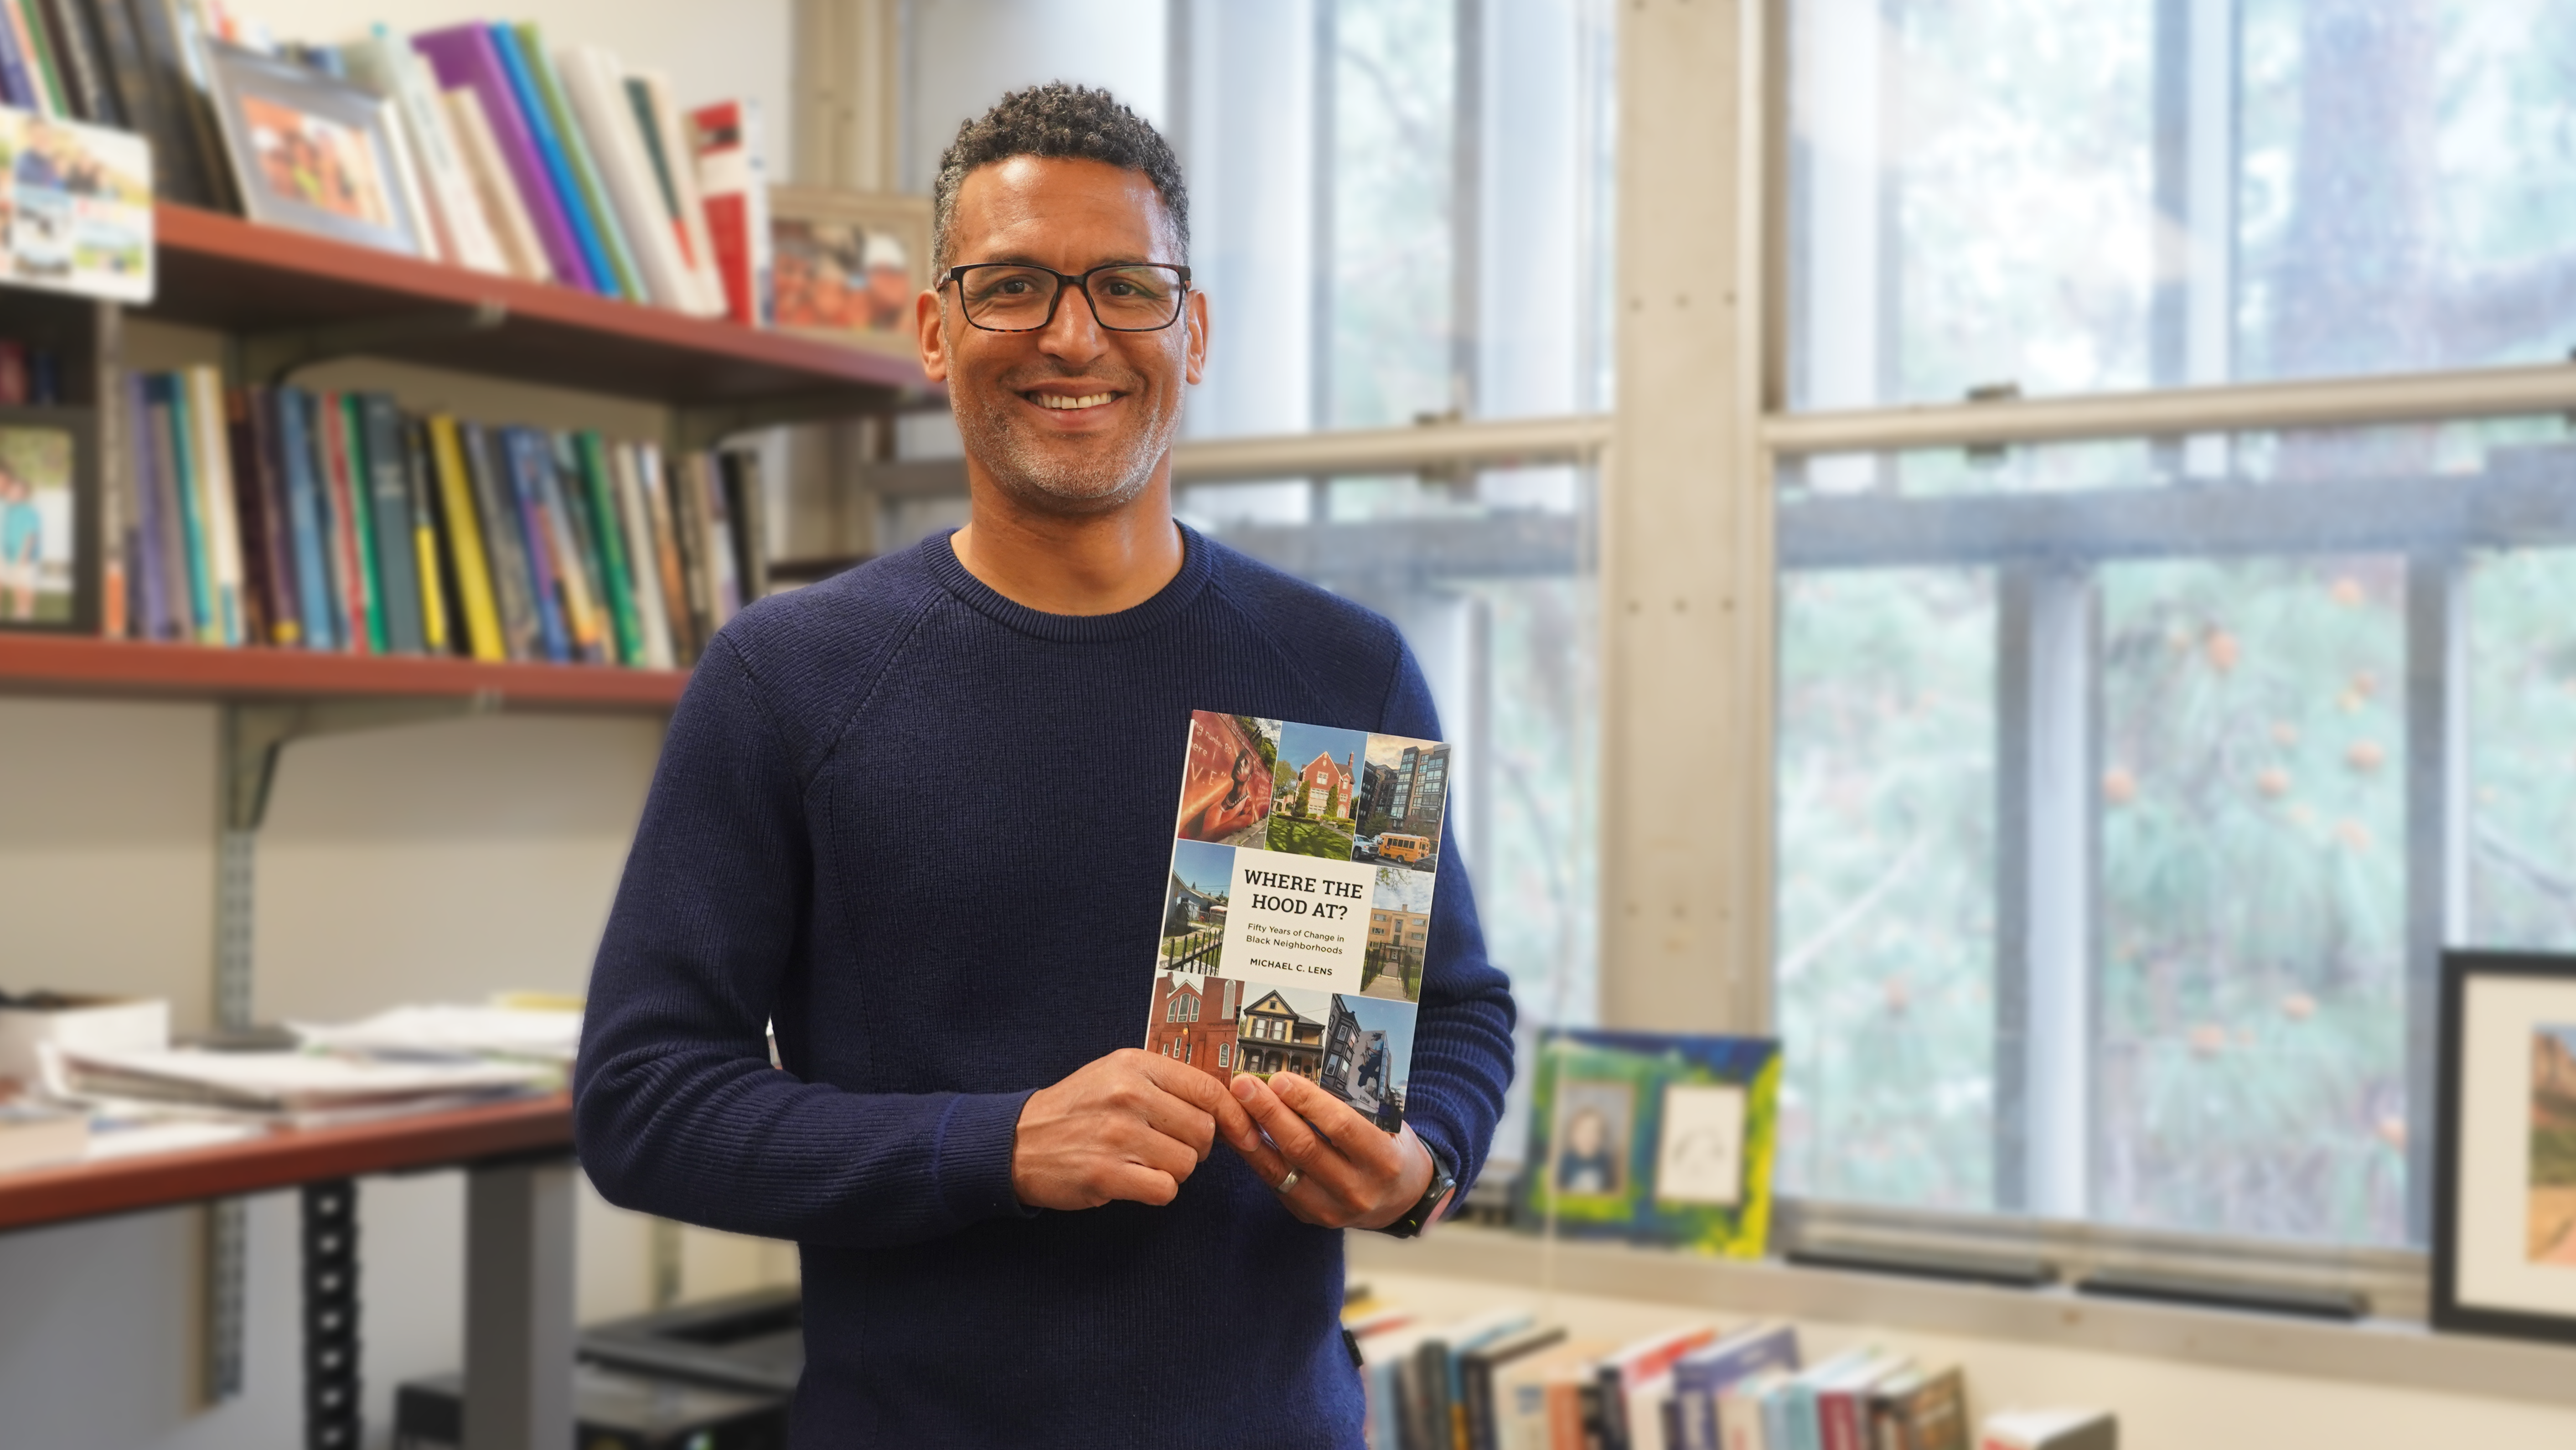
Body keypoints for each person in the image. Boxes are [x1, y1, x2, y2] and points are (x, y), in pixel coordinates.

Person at [574, 83, 1515, 1448]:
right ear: (934, 330)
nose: (1074, 334)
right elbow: (642, 1100)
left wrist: (1416, 1166)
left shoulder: (1341, 668)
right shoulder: (789, 680)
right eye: (1011, 284)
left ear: (1191, 334)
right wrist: (994, 1143)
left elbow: (1462, 1018)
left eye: (1128, 286)